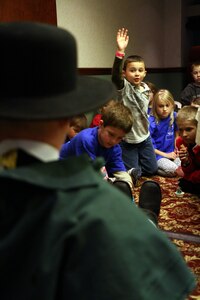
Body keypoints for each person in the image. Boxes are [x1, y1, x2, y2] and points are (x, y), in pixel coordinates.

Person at [0, 21, 196, 300]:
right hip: (117, 226)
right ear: (66, 117)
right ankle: (148, 219)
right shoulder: (97, 210)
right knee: (137, 225)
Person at [111, 28, 158, 179]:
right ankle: (124, 166)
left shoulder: (145, 88)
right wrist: (120, 52)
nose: (137, 73)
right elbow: (115, 78)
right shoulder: (124, 87)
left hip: (144, 137)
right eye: (132, 70)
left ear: (145, 72)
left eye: (140, 70)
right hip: (128, 139)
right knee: (134, 174)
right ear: (125, 73)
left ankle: (136, 164)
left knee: (152, 170)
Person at [60, 101, 135, 192]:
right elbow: (92, 174)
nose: (114, 141)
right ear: (101, 124)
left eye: (120, 138)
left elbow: (119, 171)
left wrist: (128, 185)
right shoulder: (86, 140)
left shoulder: (115, 147)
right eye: (111, 134)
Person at [149, 89, 183, 177]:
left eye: (167, 105)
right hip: (158, 156)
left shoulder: (174, 116)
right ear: (155, 106)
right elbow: (149, 146)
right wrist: (166, 155)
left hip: (172, 154)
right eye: (161, 106)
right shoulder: (151, 122)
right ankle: (156, 169)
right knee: (174, 170)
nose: (165, 109)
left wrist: (177, 147)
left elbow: (177, 133)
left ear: (172, 105)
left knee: (183, 166)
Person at [176, 105, 200, 195]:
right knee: (183, 184)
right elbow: (188, 169)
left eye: (189, 129)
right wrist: (186, 161)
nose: (184, 134)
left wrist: (188, 177)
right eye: (180, 130)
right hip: (194, 175)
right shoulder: (181, 142)